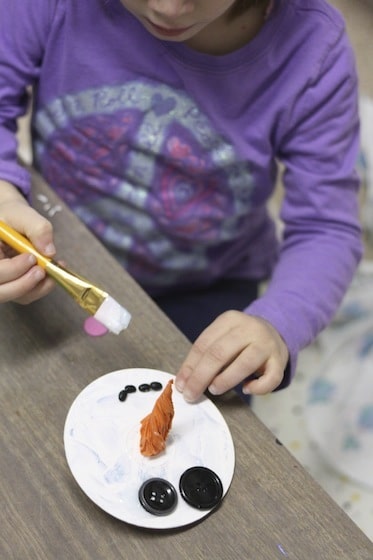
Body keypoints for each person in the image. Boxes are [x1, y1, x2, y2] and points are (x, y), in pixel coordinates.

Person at [0, 0, 363, 404]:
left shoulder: (313, 50)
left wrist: (278, 322)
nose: (169, 9)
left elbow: (326, 227)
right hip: (61, 244)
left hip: (207, 285)